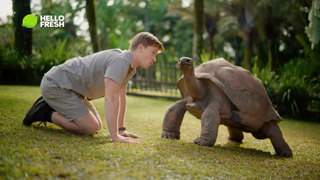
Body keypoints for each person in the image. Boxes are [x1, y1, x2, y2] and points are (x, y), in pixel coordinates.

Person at [23, 32, 164, 144]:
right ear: (140, 48)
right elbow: (111, 98)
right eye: (153, 53)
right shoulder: (121, 61)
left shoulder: (129, 67)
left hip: (73, 91)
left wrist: (120, 130)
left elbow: (121, 98)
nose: (154, 59)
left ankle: (50, 107)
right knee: (89, 128)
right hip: (56, 84)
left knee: (96, 126)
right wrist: (114, 136)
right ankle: (44, 112)